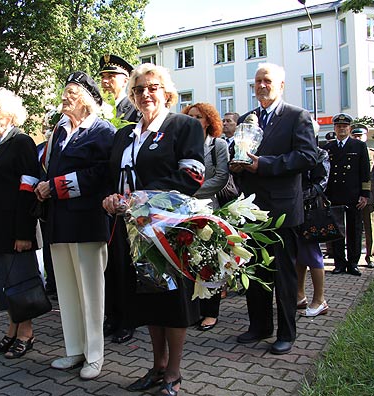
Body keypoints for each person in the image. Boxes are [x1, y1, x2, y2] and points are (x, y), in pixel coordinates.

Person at [102, 63, 205, 396]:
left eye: (152, 87)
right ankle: (157, 366)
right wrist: (112, 198)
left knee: (172, 301)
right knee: (148, 301)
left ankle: (174, 373)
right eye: (138, 90)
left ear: (167, 93)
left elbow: (192, 177)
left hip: (169, 229)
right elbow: (114, 180)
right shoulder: (125, 135)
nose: (145, 94)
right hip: (132, 232)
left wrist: (142, 197)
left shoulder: (185, 126)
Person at [230, 63, 317, 355]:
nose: (262, 86)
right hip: (252, 208)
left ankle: (286, 333)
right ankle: (259, 326)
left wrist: (262, 164)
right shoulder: (246, 119)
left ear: (281, 85)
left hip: (283, 210)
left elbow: (307, 157)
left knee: (283, 275)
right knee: (255, 271)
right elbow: (241, 155)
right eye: (257, 81)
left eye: (267, 81)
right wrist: (238, 166)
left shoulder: (296, 116)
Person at [34, 71, 115, 380]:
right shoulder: (59, 131)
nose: (65, 97)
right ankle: (74, 349)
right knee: (67, 289)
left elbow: (100, 175)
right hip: (59, 221)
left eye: (71, 92)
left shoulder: (101, 131)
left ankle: (94, 355)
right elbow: (50, 167)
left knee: (91, 291)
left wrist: (55, 186)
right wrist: (45, 186)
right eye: (64, 91)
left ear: (88, 99)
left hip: (87, 220)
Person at [0, 87, 42, 360]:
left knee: (20, 282)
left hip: (15, 227)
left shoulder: (21, 142)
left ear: (10, 115)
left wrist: (24, 232)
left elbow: (29, 188)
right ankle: (12, 330)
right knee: (4, 282)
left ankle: (27, 333)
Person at [99, 54, 140, 344]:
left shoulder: (133, 111)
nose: (105, 82)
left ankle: (127, 319)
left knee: (126, 263)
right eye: (102, 77)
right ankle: (111, 316)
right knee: (109, 263)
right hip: (107, 197)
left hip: (131, 199)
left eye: (111, 77)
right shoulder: (101, 111)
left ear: (125, 80)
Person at [181, 102, 227, 332]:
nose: (194, 120)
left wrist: (192, 190)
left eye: (198, 117)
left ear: (208, 121)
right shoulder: (183, 144)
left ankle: (211, 312)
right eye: (190, 116)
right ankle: (193, 310)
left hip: (211, 208)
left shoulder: (218, 145)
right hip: (186, 209)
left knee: (210, 260)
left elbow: (221, 177)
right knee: (189, 259)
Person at [324, 113, 370, 276]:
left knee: (354, 230)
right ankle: (339, 263)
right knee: (336, 231)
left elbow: (365, 172)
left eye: (344, 126)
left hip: (353, 195)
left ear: (349, 128)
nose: (341, 129)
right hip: (334, 195)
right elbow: (325, 173)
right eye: (338, 126)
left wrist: (365, 194)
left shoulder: (358, 147)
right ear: (334, 128)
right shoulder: (328, 148)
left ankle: (353, 263)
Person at [296, 122, 330, 317]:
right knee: (299, 253)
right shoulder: (296, 153)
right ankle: (299, 295)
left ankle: (320, 300)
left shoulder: (320, 154)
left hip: (311, 209)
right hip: (295, 209)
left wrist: (300, 195)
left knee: (312, 253)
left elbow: (322, 182)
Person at [350, 124, 374, 268]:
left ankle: (371, 256)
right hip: (352, 197)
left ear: (365, 136)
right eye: (355, 135)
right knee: (353, 229)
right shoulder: (349, 151)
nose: (358, 138)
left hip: (369, 199)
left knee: (370, 228)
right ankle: (352, 258)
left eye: (360, 135)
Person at [36, 108, 60, 298]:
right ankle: (51, 281)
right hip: (42, 204)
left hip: (59, 199)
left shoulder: (62, 146)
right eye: (47, 126)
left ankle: (59, 282)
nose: (49, 129)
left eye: (53, 125)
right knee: (47, 245)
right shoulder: (39, 149)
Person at [99, 54, 140, 123]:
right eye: (103, 77)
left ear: (125, 81)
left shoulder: (135, 108)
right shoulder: (98, 108)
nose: (104, 81)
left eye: (110, 76)